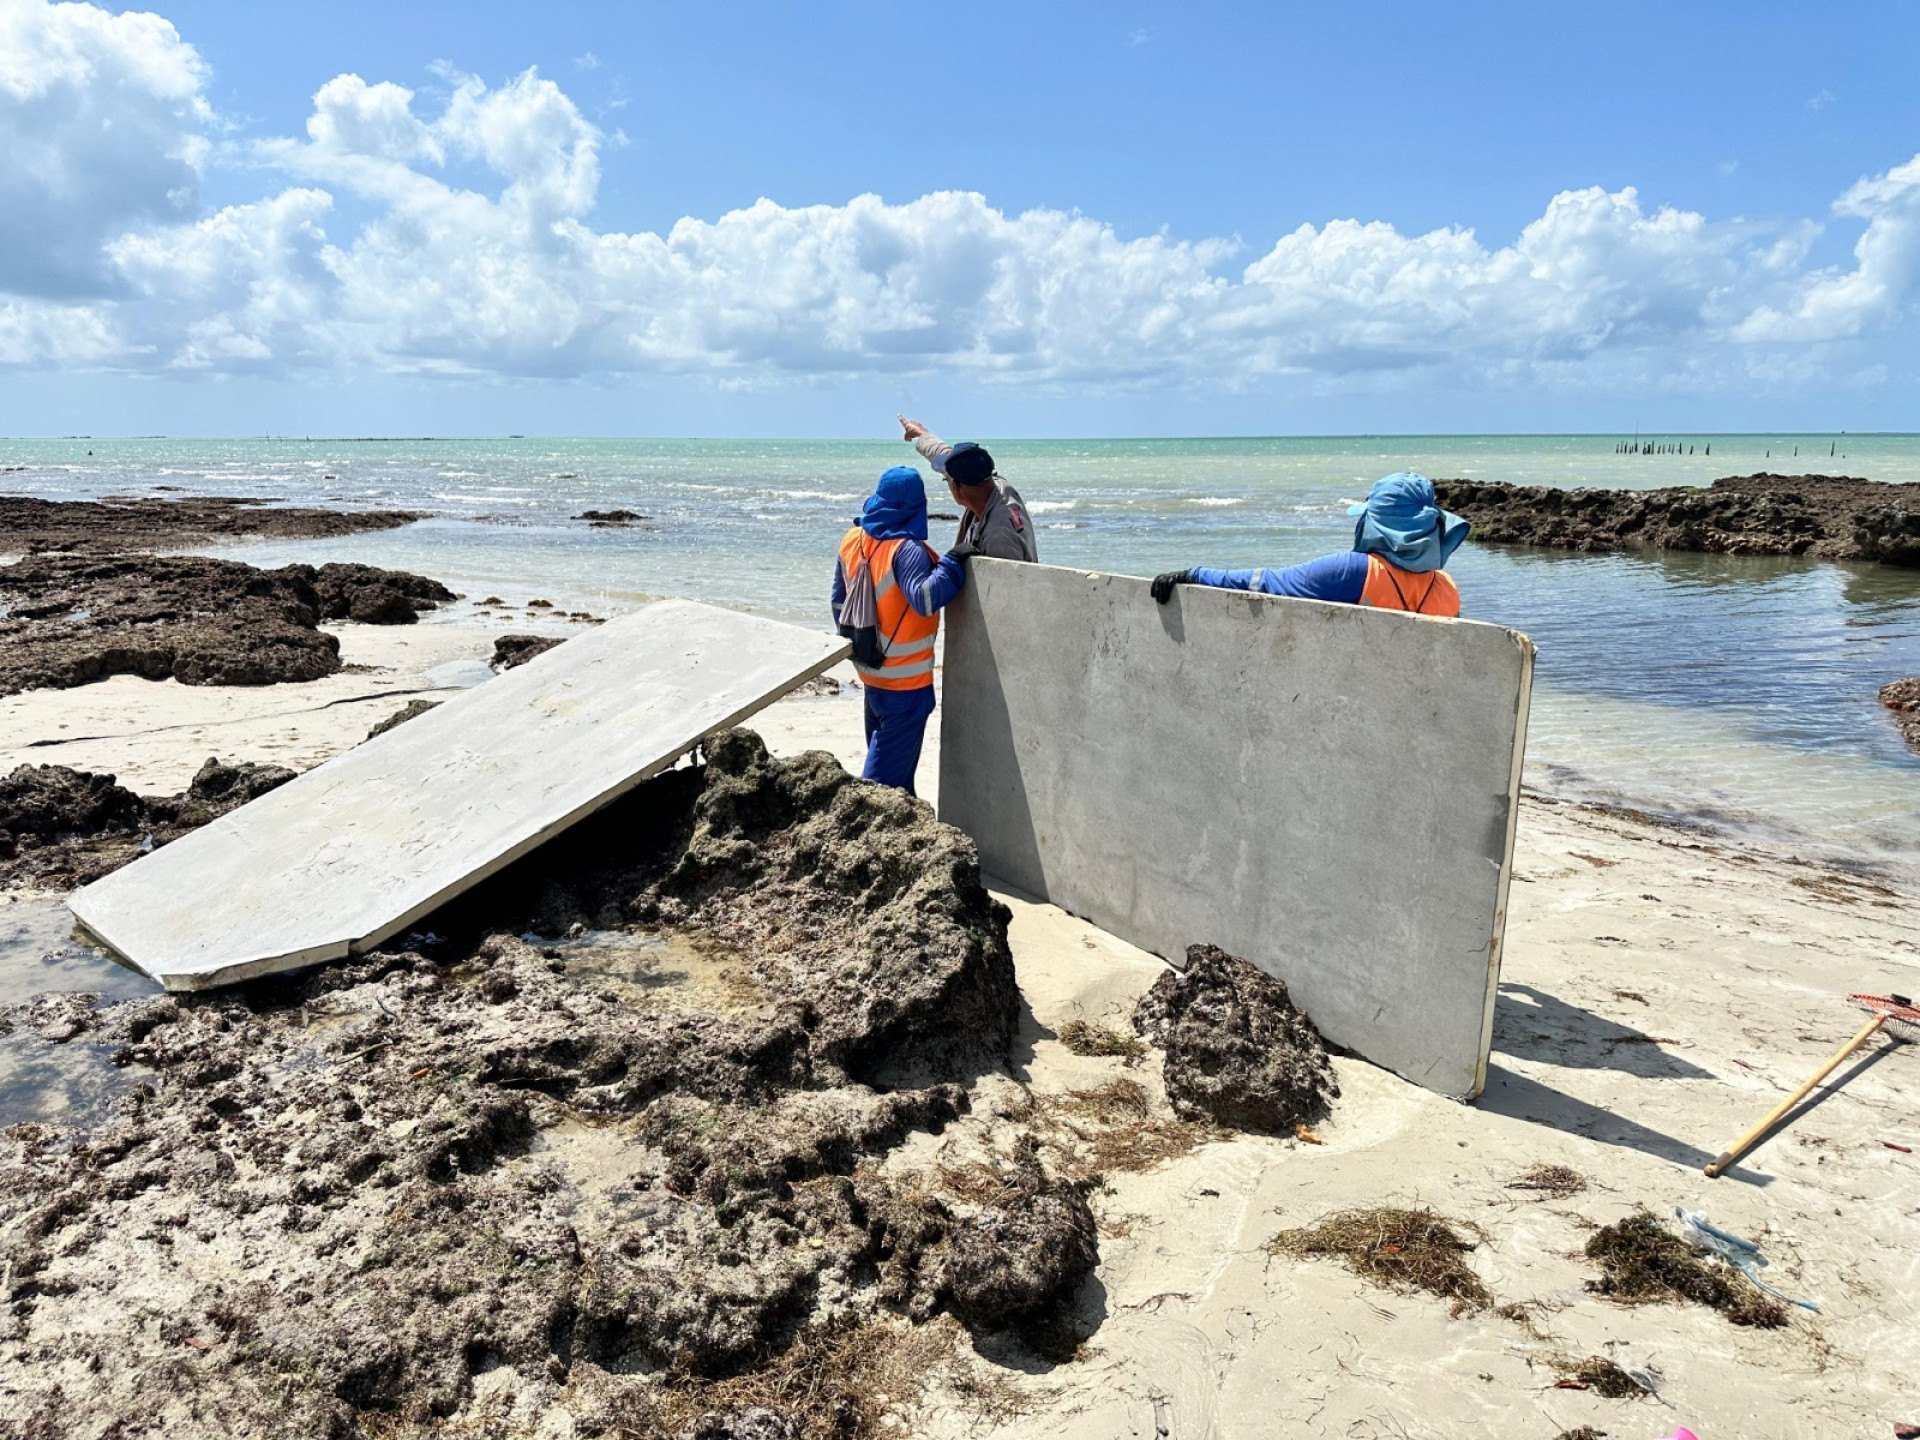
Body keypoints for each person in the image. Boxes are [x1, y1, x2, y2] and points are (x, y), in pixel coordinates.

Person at [1149, 472, 1469, 616]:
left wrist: (1194, 575)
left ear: (1378, 525)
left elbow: (1264, 583)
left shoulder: (1353, 572)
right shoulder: (1447, 589)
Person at [831, 465, 971, 794]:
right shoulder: (905, 550)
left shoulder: (853, 539)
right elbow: (924, 598)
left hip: (871, 671)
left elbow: (838, 602)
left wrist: (861, 648)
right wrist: (954, 561)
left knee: (898, 785)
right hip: (905, 686)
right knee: (880, 787)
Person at [897, 415, 1038, 562]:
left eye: (947, 479)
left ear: (957, 487)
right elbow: (943, 453)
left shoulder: (997, 538)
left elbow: (1003, 583)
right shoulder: (993, 483)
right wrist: (921, 433)